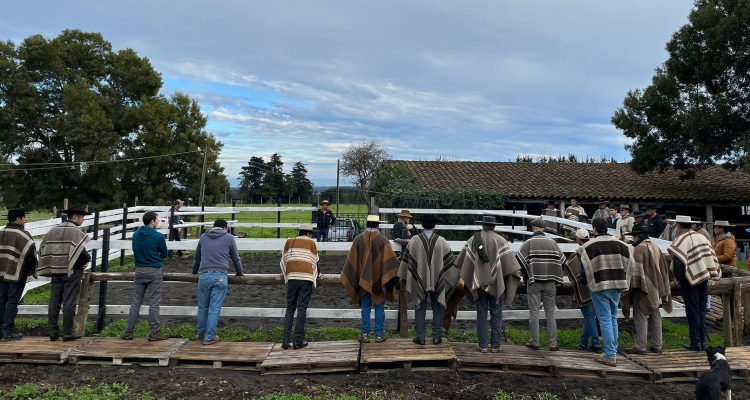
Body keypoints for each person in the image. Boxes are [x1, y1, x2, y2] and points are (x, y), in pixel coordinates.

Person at [455, 215, 522, 353]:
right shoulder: (501, 240)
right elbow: (511, 266)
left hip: (479, 284)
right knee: (496, 313)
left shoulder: (473, 239)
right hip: (497, 284)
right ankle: (496, 346)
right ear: (494, 226)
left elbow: (462, 262)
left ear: (482, 225)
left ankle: (483, 345)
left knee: (481, 314)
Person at [579, 217, 634, 367]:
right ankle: (613, 351)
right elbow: (631, 263)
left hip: (600, 285)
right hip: (617, 284)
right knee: (612, 318)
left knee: (604, 320)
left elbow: (585, 266)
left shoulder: (589, 246)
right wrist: (625, 280)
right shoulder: (622, 245)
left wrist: (584, 280)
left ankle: (610, 355)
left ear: (594, 229)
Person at [398, 214, 460, 345]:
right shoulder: (442, 241)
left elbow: (406, 263)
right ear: (434, 226)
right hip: (438, 281)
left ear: (422, 225)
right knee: (438, 307)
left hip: (419, 280)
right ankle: (437, 337)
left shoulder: (414, 240)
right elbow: (450, 265)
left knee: (419, 306)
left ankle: (420, 337)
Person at [341, 215, 400, 344]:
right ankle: (379, 334)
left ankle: (365, 334)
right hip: (380, 281)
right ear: (378, 225)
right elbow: (393, 263)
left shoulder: (358, 240)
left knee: (366, 307)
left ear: (367, 224)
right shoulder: (383, 240)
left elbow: (351, 262)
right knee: (379, 307)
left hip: (363, 282)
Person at [38, 206, 92, 342]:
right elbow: (82, 253)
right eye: (82, 217)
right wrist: (87, 260)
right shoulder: (76, 232)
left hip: (55, 270)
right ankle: (67, 333)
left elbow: (43, 247)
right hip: (71, 271)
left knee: (54, 301)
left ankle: (53, 331)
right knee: (69, 301)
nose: (83, 219)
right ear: (75, 217)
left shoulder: (53, 230)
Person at [667, 215, 720, 351]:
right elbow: (710, 256)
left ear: (679, 226)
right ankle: (703, 341)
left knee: (692, 311)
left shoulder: (680, 240)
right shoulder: (701, 237)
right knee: (701, 309)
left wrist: (678, 278)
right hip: (704, 277)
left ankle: (695, 342)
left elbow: (678, 264)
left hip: (689, 281)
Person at [516, 217, 566, 351]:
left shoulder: (529, 243)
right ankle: (553, 344)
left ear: (533, 228)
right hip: (550, 282)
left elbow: (519, 260)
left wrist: (528, 271)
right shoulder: (552, 243)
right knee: (550, 314)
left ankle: (535, 342)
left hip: (534, 282)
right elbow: (562, 260)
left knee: (534, 313)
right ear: (544, 228)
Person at [621, 225, 672, 356]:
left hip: (641, 287)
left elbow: (633, 271)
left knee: (640, 314)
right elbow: (663, 268)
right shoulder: (656, 247)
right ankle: (657, 345)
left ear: (637, 236)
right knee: (655, 314)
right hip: (655, 287)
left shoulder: (638, 250)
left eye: (633, 236)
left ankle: (640, 346)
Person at [191, 219, 243, 346]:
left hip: (204, 275)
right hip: (220, 275)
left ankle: (200, 332)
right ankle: (209, 336)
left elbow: (197, 257)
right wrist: (239, 272)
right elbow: (235, 257)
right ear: (225, 227)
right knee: (214, 308)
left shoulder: (203, 237)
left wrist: (194, 271)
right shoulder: (229, 238)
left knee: (203, 307)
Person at [121, 211, 170, 341]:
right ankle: (154, 331)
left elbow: (135, 250)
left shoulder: (136, 235)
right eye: (157, 219)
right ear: (152, 221)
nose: (158, 221)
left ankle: (129, 330)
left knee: (136, 302)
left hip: (139, 269)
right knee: (154, 302)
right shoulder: (158, 236)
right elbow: (165, 254)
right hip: (154, 270)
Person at [280, 224, 320, 349]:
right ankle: (297, 340)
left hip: (292, 277)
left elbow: (284, 259)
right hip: (306, 278)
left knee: (290, 307)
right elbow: (314, 261)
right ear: (309, 234)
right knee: (301, 308)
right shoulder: (311, 243)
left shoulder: (289, 241)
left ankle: (285, 340)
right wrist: (318, 274)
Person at [0, 209, 37, 341]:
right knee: (12, 302)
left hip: (1, 273)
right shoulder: (22, 235)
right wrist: (32, 269)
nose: (25, 220)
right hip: (17, 273)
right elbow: (30, 256)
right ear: (18, 219)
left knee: (1, 301)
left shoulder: (1, 232)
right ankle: (8, 332)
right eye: (24, 218)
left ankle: (0, 331)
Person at [564, 229, 602, 353]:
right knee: (589, 316)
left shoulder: (578, 254)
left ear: (578, 239)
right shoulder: (595, 249)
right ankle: (583, 343)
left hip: (584, 287)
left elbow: (570, 268)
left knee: (589, 316)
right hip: (597, 285)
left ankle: (596, 344)